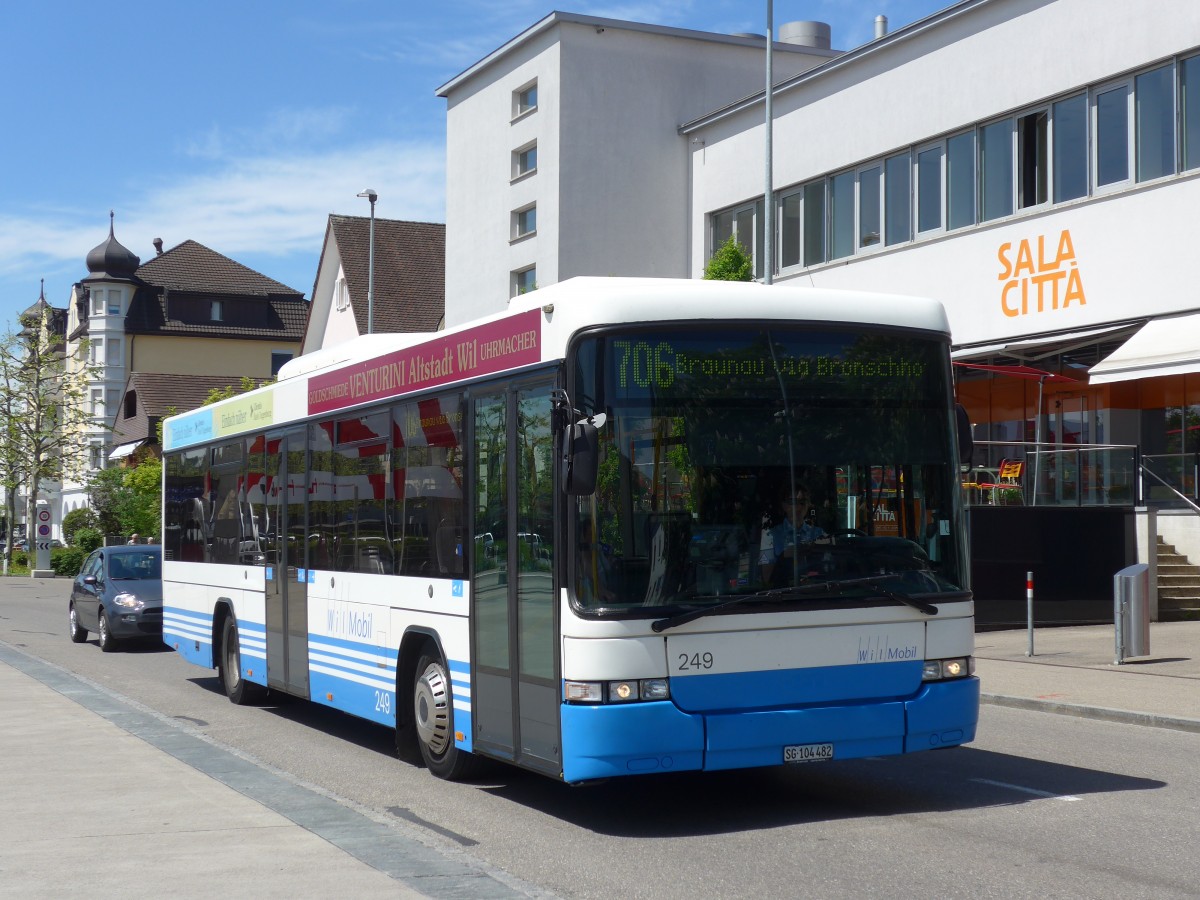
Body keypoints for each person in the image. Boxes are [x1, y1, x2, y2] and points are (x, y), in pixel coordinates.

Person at [758, 485, 826, 585]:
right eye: (792, 502)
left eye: (802, 502)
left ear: (809, 504)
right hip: (782, 596)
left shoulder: (819, 533)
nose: (798, 507)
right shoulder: (769, 536)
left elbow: (829, 570)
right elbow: (767, 578)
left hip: (817, 594)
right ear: (784, 505)